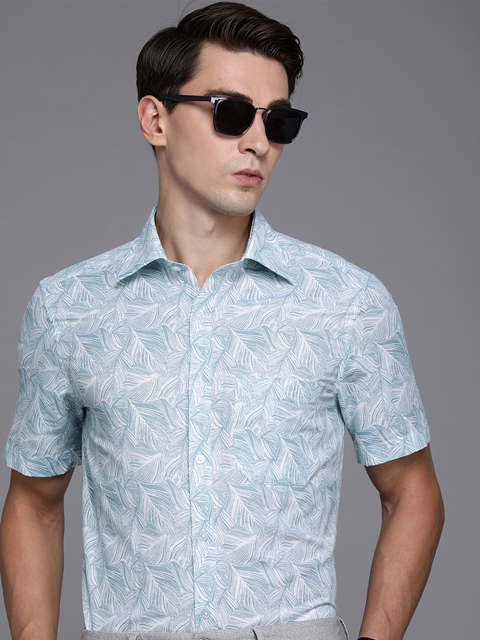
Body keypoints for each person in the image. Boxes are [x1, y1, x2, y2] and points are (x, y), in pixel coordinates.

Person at [0, 3, 444, 640]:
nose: (258, 142)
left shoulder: (346, 301)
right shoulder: (68, 308)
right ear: (155, 119)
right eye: (231, 113)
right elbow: (33, 504)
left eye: (278, 121)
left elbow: (413, 491)